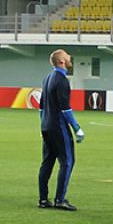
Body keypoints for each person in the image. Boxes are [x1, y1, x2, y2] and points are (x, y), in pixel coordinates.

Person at [36, 49, 84, 210]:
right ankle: (60, 199)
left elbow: (41, 105)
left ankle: (43, 199)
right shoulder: (62, 80)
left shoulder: (47, 78)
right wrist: (76, 128)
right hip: (59, 127)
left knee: (47, 162)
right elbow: (65, 109)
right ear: (62, 61)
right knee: (67, 162)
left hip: (46, 126)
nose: (70, 57)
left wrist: (43, 123)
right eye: (67, 56)